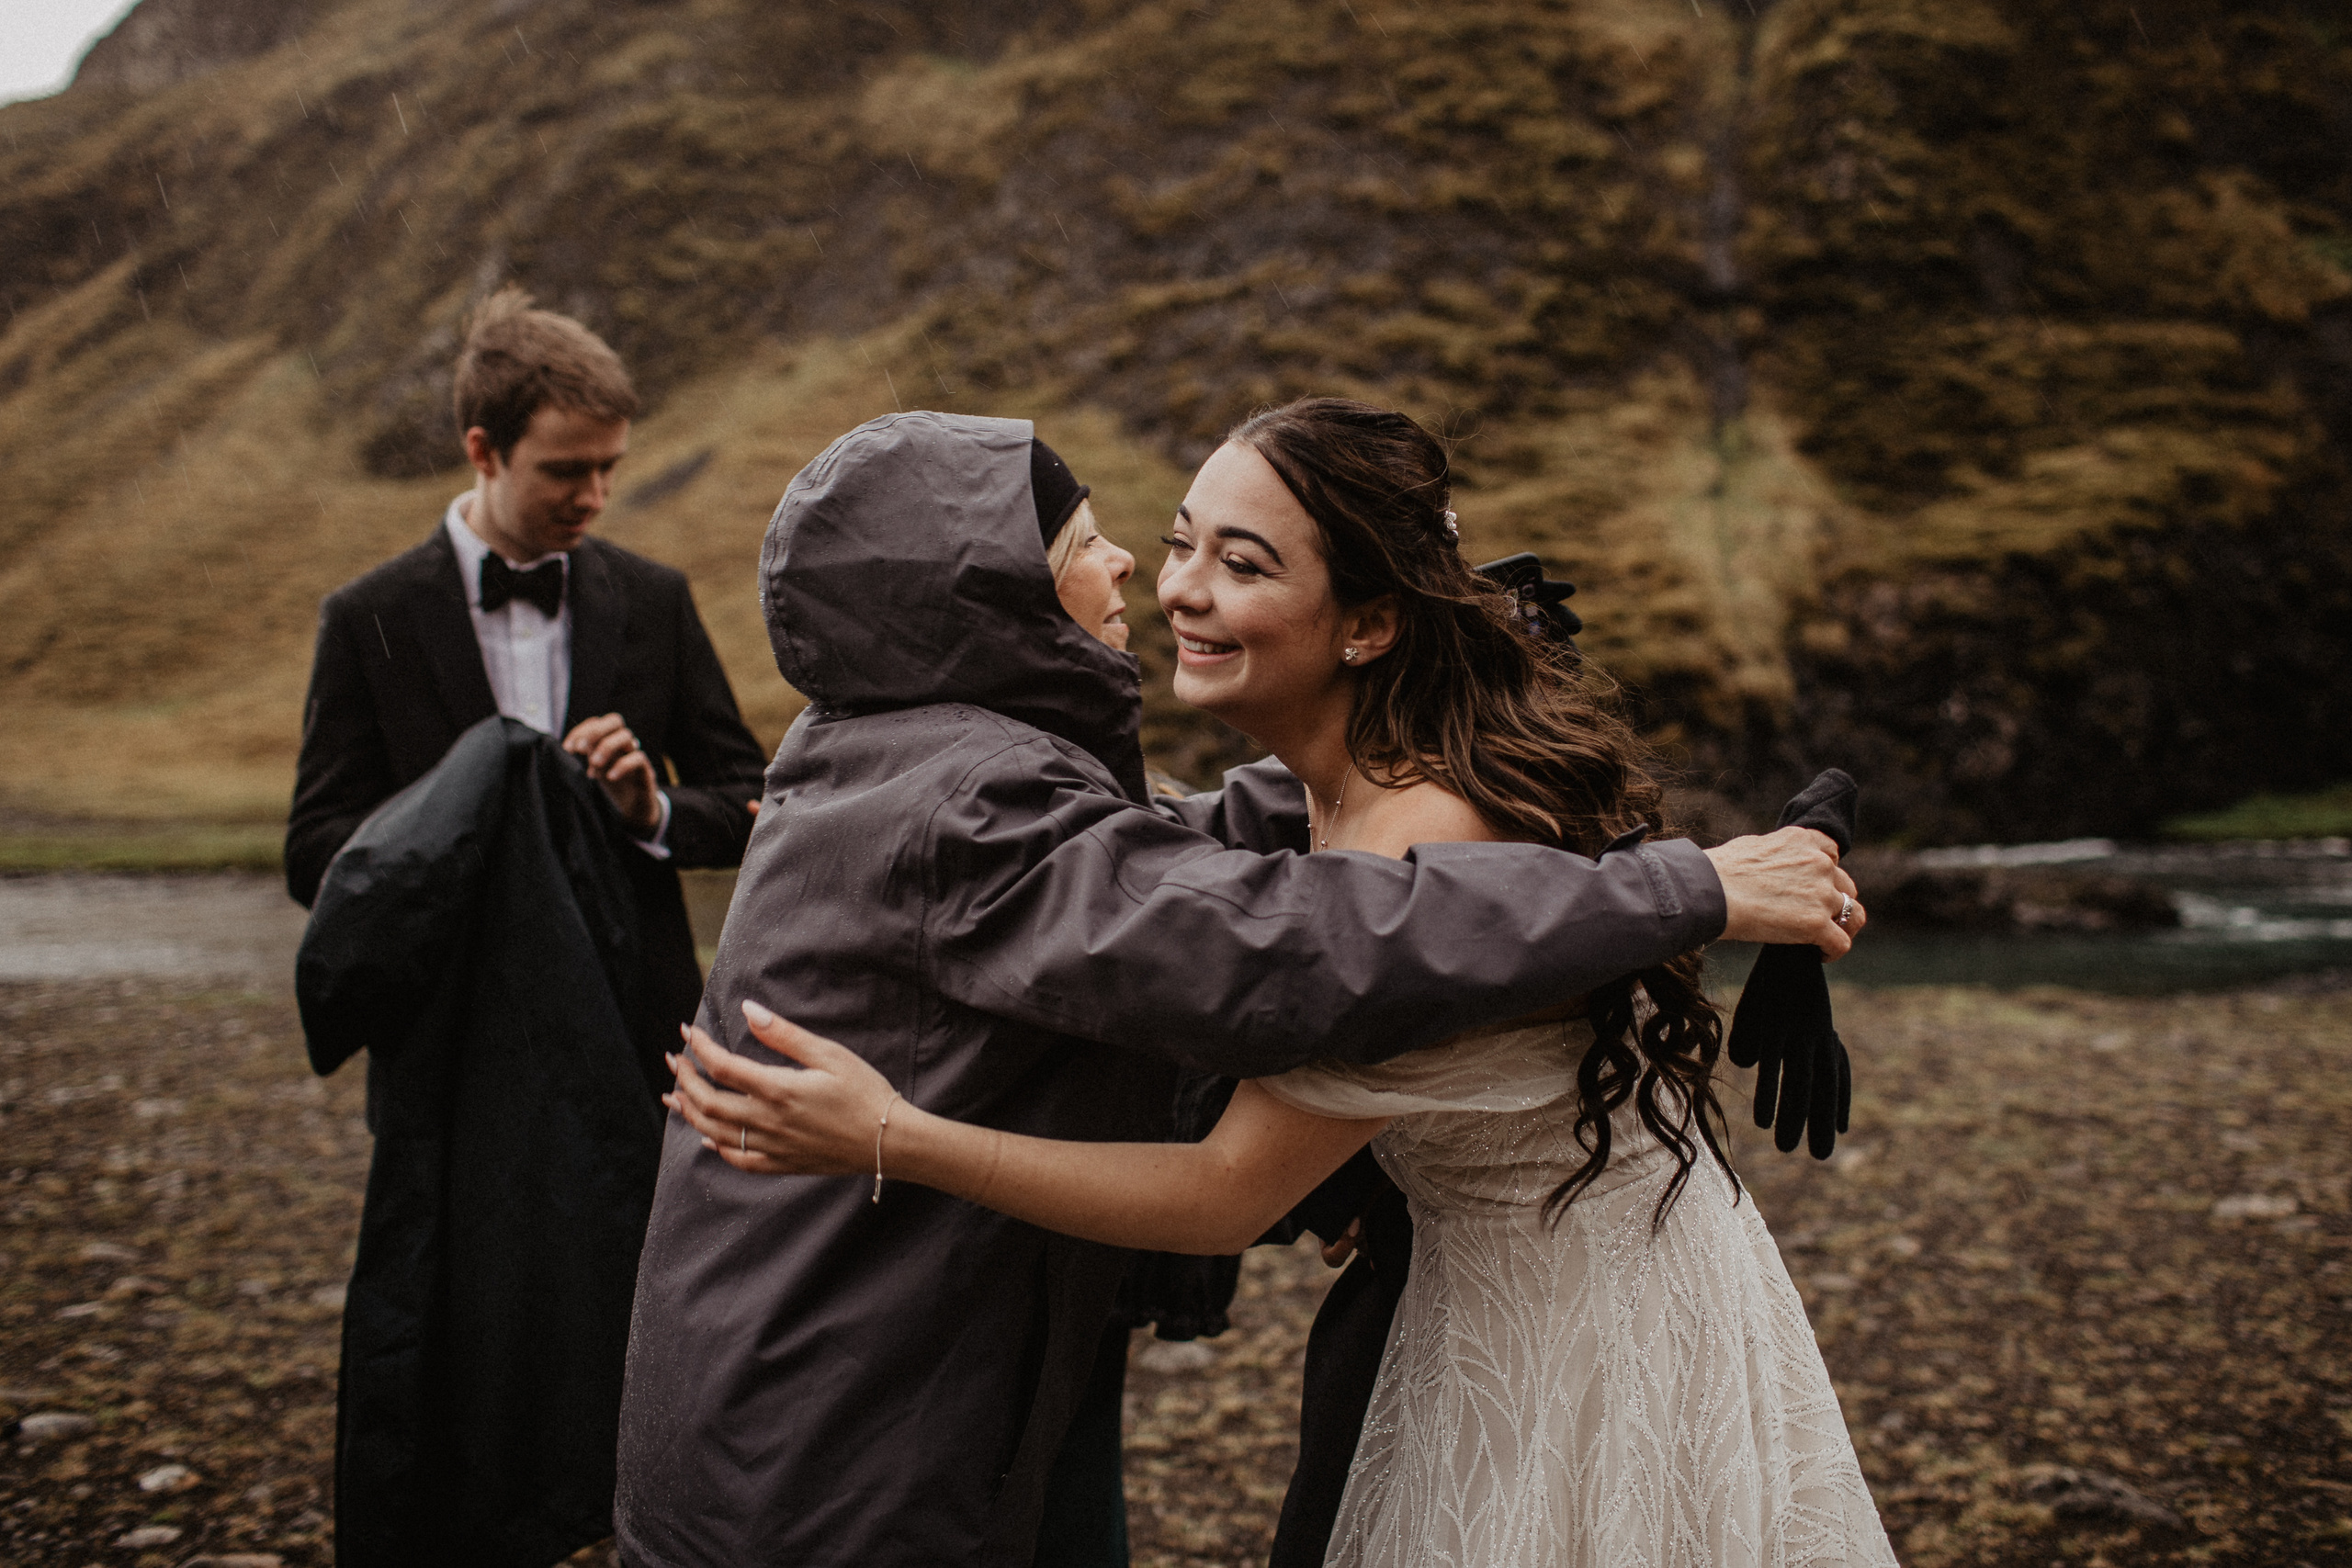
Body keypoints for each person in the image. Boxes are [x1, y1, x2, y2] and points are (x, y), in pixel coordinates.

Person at [613, 406, 1859, 1568]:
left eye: (1232, 558)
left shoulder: (906, 748)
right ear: (985, 604)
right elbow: (1274, 939)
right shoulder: (975, 798)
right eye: (1105, 544)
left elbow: (1198, 852)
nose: (1144, 577)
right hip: (830, 1430)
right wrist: (1690, 886)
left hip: (846, 1380)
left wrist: (1443, 635)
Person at [285, 288, 769, 1564]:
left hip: (636, 1037)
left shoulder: (652, 601)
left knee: (652, 1310)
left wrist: (650, 807)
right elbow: (315, 852)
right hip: (453, 1050)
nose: (595, 497)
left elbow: (750, 797)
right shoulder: (369, 617)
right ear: (482, 449)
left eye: (611, 468)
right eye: (567, 470)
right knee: (459, 1313)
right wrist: (455, 821)